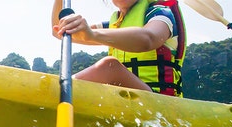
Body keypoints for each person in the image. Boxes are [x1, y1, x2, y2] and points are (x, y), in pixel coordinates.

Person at [51, 0, 186, 97]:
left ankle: (56, 93)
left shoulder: (161, 14)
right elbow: (59, 30)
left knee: (110, 66)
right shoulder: (114, 23)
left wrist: (92, 34)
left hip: (161, 102)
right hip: (126, 98)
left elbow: (148, 39)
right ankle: (55, 94)